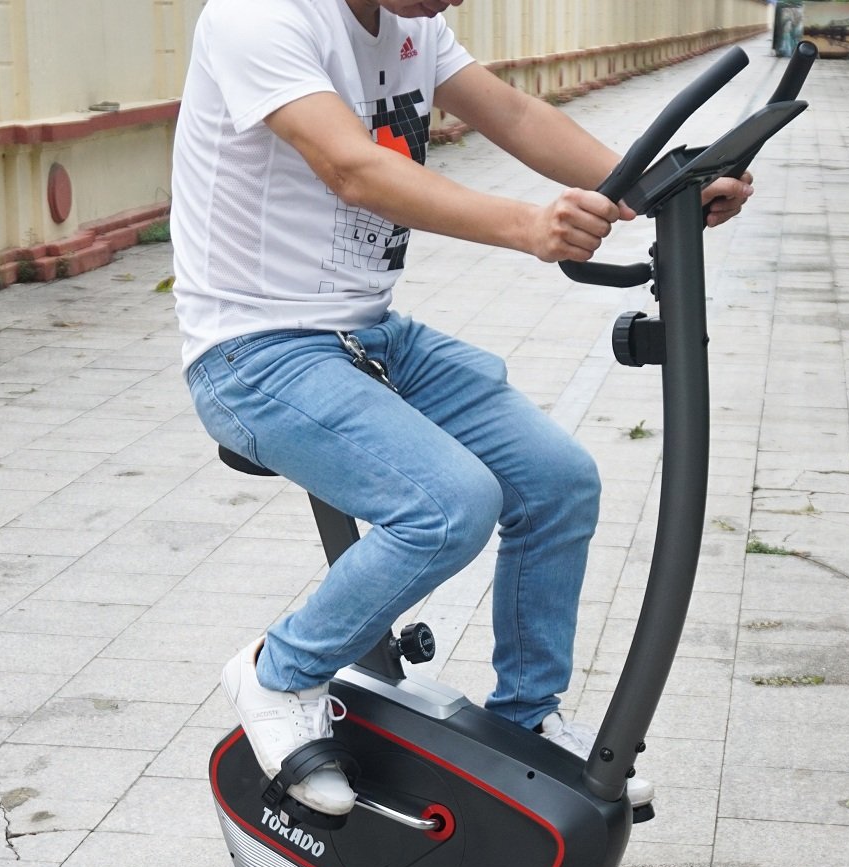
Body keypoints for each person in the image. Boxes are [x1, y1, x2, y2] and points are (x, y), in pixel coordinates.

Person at [171, 0, 753, 818]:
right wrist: (528, 226)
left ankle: (526, 717)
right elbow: (352, 168)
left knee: (558, 481)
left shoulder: (415, 23)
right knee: (448, 506)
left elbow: (512, 113)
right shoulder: (260, 16)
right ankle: (280, 673)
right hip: (254, 351)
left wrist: (658, 186)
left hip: (371, 335)